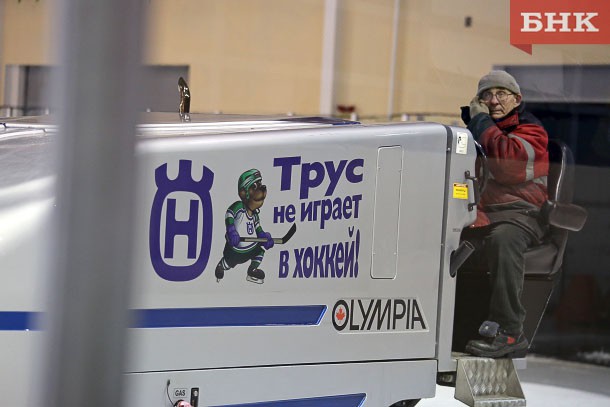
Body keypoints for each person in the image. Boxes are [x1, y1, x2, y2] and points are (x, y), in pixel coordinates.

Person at [460, 70, 550, 358]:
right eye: (486, 95)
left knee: (504, 240)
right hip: (481, 215)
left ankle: (510, 332)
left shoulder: (531, 132)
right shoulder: (472, 134)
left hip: (520, 215)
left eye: (501, 94)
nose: (494, 100)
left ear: (517, 99)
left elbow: (509, 166)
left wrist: (480, 122)